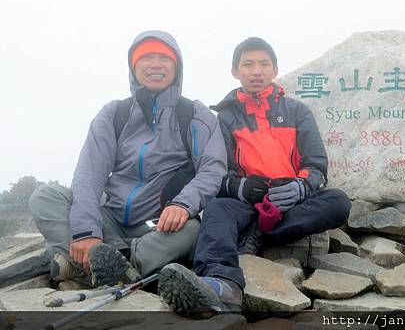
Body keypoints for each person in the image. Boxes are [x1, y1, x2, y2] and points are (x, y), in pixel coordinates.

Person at [157, 37, 351, 317]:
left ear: (275, 70)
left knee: (338, 202)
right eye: (248, 64)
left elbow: (317, 165)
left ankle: (258, 234)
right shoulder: (223, 118)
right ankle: (220, 283)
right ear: (235, 71)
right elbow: (216, 171)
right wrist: (240, 187)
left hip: (290, 203)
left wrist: (302, 186)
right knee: (216, 208)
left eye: (264, 64)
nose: (256, 71)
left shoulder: (297, 112)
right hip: (245, 202)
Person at [25, 30, 226, 287]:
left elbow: (213, 169)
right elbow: (89, 174)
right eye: (146, 57)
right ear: (133, 66)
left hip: (157, 224)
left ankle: (93, 263)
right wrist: (87, 232)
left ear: (177, 67)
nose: (155, 64)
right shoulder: (114, 113)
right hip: (109, 216)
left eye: (164, 58)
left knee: (192, 229)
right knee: (45, 196)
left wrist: (183, 205)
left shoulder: (195, 114)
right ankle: (109, 261)